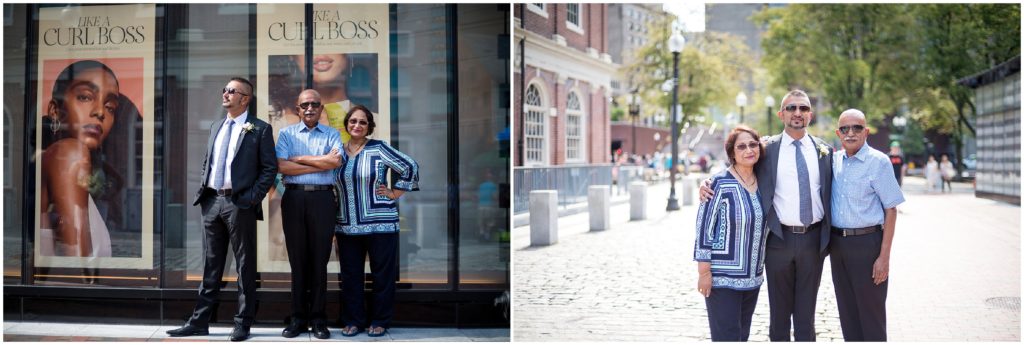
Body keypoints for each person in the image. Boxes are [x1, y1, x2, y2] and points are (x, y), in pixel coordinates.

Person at [700, 90, 833, 341]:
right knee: (779, 317)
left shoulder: (824, 151)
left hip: (813, 241)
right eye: (791, 108)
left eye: (803, 108)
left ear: (810, 115)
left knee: (806, 317)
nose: (797, 113)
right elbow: (739, 163)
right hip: (778, 241)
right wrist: (709, 182)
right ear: (781, 114)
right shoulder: (767, 149)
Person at [167, 77, 277, 342]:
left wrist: (251, 198)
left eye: (232, 91)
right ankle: (199, 321)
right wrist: (205, 191)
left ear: (245, 98)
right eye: (224, 90)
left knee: (244, 265)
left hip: (240, 204)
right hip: (212, 201)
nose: (225, 94)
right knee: (211, 265)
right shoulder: (217, 125)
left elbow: (269, 168)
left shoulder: (260, 129)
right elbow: (210, 162)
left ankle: (243, 323)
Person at [334, 105, 418, 337]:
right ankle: (353, 320)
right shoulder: (338, 152)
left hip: (381, 223)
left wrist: (395, 192)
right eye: (353, 121)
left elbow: (410, 166)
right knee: (351, 276)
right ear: (347, 124)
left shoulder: (379, 148)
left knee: (382, 275)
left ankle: (380, 320)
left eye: (362, 122)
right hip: (346, 225)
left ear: (369, 126)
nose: (357, 125)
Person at [40, 60, 136, 258]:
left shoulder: (62, 158)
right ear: (55, 110)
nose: (100, 112)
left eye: (109, 107)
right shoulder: (69, 153)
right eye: (85, 97)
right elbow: (76, 265)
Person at [829, 109, 904, 341]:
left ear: (866, 131)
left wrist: (884, 257)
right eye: (845, 129)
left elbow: (891, 210)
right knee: (847, 313)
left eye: (857, 128)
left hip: (868, 246)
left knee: (871, 316)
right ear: (838, 133)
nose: (850, 133)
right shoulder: (834, 161)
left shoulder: (879, 162)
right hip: (838, 246)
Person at [275, 89, 342, 339]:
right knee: (298, 261)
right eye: (305, 105)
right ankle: (297, 319)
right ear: (297, 109)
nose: (310, 108)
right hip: (293, 199)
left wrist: (300, 159)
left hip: (323, 199)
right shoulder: (286, 133)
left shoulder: (333, 134)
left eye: (315, 104)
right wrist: (319, 160)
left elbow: (334, 163)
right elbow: (281, 166)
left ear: (321, 108)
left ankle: (318, 319)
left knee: (319, 262)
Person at [694, 125, 769, 341]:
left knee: (741, 335)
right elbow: (704, 229)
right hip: (722, 279)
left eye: (753, 144)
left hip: (753, 277)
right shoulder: (718, 184)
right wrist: (704, 274)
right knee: (726, 336)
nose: (749, 150)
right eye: (742, 146)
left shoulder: (764, 183)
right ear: (732, 153)